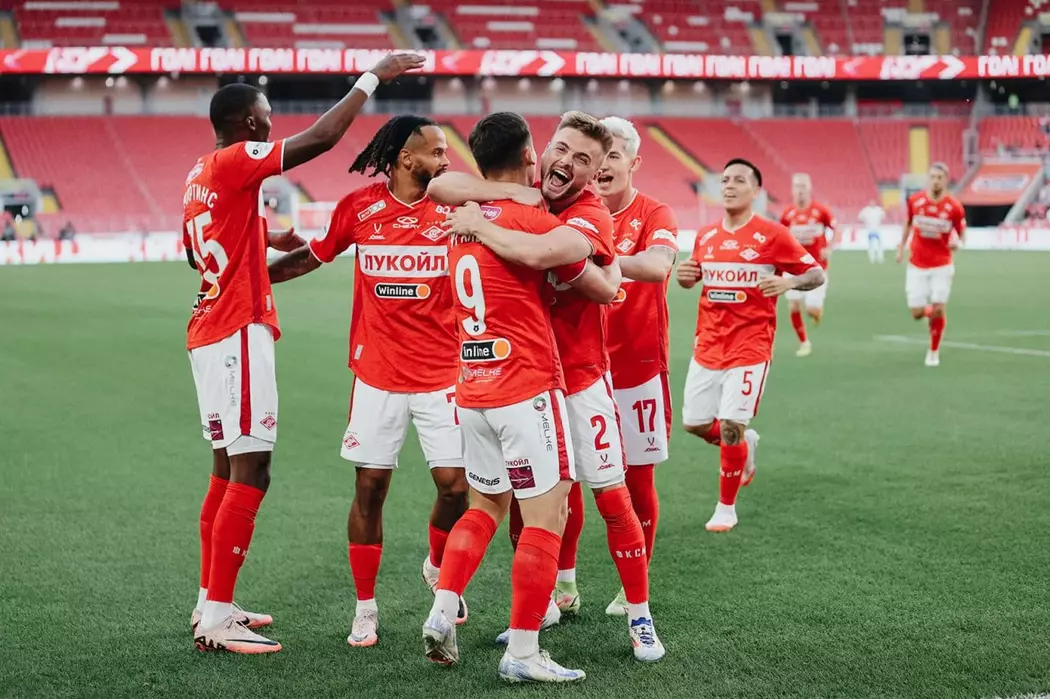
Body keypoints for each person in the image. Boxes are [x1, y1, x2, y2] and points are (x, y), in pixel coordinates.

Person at [183, 53, 424, 655]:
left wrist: (261, 235)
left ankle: (211, 599)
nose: (270, 124)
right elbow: (321, 138)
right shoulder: (238, 159)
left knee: (224, 468)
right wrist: (373, 77)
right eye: (264, 116)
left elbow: (194, 252)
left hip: (207, 329)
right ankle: (218, 617)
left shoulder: (198, 172)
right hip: (237, 330)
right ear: (247, 123)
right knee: (252, 470)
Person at [433, 111, 664, 662]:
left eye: (583, 159)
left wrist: (483, 226)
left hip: (579, 380)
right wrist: (507, 197)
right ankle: (539, 613)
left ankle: (640, 616)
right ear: (543, 151)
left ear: (595, 173)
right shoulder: (523, 194)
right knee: (527, 504)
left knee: (611, 496)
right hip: (524, 383)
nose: (566, 163)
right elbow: (441, 186)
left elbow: (563, 265)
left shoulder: (590, 214)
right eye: (561, 149)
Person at [267, 115, 470, 648]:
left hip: (443, 372)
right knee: (370, 489)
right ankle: (365, 608)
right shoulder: (359, 209)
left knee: (456, 487)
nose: (446, 160)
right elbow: (313, 256)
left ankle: (436, 565)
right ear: (406, 158)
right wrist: (255, 276)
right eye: (437, 152)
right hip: (378, 374)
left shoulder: (456, 211)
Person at [420, 112, 587, 683]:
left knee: (485, 506)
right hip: (526, 384)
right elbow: (588, 277)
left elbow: (443, 187)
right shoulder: (532, 219)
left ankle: (443, 610)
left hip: (473, 387)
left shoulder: (461, 219)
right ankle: (522, 650)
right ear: (530, 156)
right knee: (547, 516)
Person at [677, 159, 825, 533]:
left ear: (756, 191)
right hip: (708, 344)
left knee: (730, 424)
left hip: (750, 347)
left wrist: (789, 283)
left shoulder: (773, 234)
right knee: (694, 423)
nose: (729, 185)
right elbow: (693, 277)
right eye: (725, 179)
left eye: (739, 180)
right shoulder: (705, 236)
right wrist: (686, 276)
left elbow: (815, 273)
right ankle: (747, 443)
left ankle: (725, 508)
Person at [593, 116, 678, 618]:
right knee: (571, 480)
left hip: (638, 366)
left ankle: (634, 585)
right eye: (597, 155)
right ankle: (564, 585)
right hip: (579, 367)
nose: (603, 166)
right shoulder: (575, 210)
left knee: (636, 478)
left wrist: (597, 257)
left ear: (634, 162)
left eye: (614, 156)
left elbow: (658, 264)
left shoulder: (653, 212)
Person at [896, 163, 966, 367]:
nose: (936, 181)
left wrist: (958, 243)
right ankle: (932, 313)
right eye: (933, 177)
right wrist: (901, 247)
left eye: (939, 177)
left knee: (939, 307)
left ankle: (933, 351)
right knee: (917, 313)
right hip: (917, 265)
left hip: (942, 266)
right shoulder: (915, 201)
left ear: (946, 180)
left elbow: (961, 233)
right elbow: (908, 223)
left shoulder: (954, 207)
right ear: (928, 179)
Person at [779, 173, 836, 358]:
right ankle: (804, 342)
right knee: (794, 305)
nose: (800, 190)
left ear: (809, 188)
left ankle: (816, 313)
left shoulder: (821, 211)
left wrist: (829, 247)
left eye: (803, 186)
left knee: (811, 309)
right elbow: (780, 237)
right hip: (793, 267)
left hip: (816, 268)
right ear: (792, 190)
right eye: (797, 186)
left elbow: (836, 229)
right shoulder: (787, 214)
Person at [859, 199, 886, 264]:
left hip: (877, 229)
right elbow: (860, 217)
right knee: (871, 244)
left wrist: (879, 221)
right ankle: (872, 258)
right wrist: (865, 221)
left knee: (880, 243)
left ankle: (880, 258)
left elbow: (883, 216)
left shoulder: (879, 209)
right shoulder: (866, 210)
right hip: (869, 230)